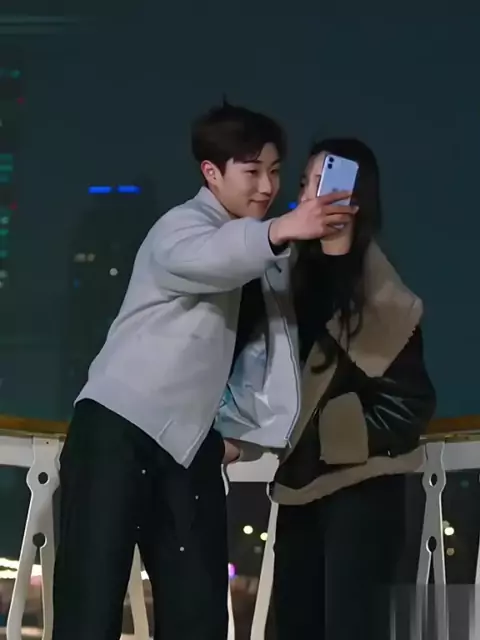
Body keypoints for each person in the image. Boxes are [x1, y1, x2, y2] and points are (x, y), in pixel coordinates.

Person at [51, 104, 358, 640]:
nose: (267, 186)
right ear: (211, 173)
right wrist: (282, 228)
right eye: (252, 171)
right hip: (116, 432)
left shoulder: (263, 254)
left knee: (198, 615)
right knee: (89, 611)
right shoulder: (182, 227)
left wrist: (239, 437)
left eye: (275, 171)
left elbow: (282, 349)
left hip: (191, 448)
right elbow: (212, 258)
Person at [270, 138, 436, 640]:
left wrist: (333, 432)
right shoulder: (284, 278)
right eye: (305, 183)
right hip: (298, 488)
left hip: (364, 489)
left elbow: (411, 405)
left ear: (354, 198)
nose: (307, 194)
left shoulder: (386, 298)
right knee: (295, 625)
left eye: (322, 183)